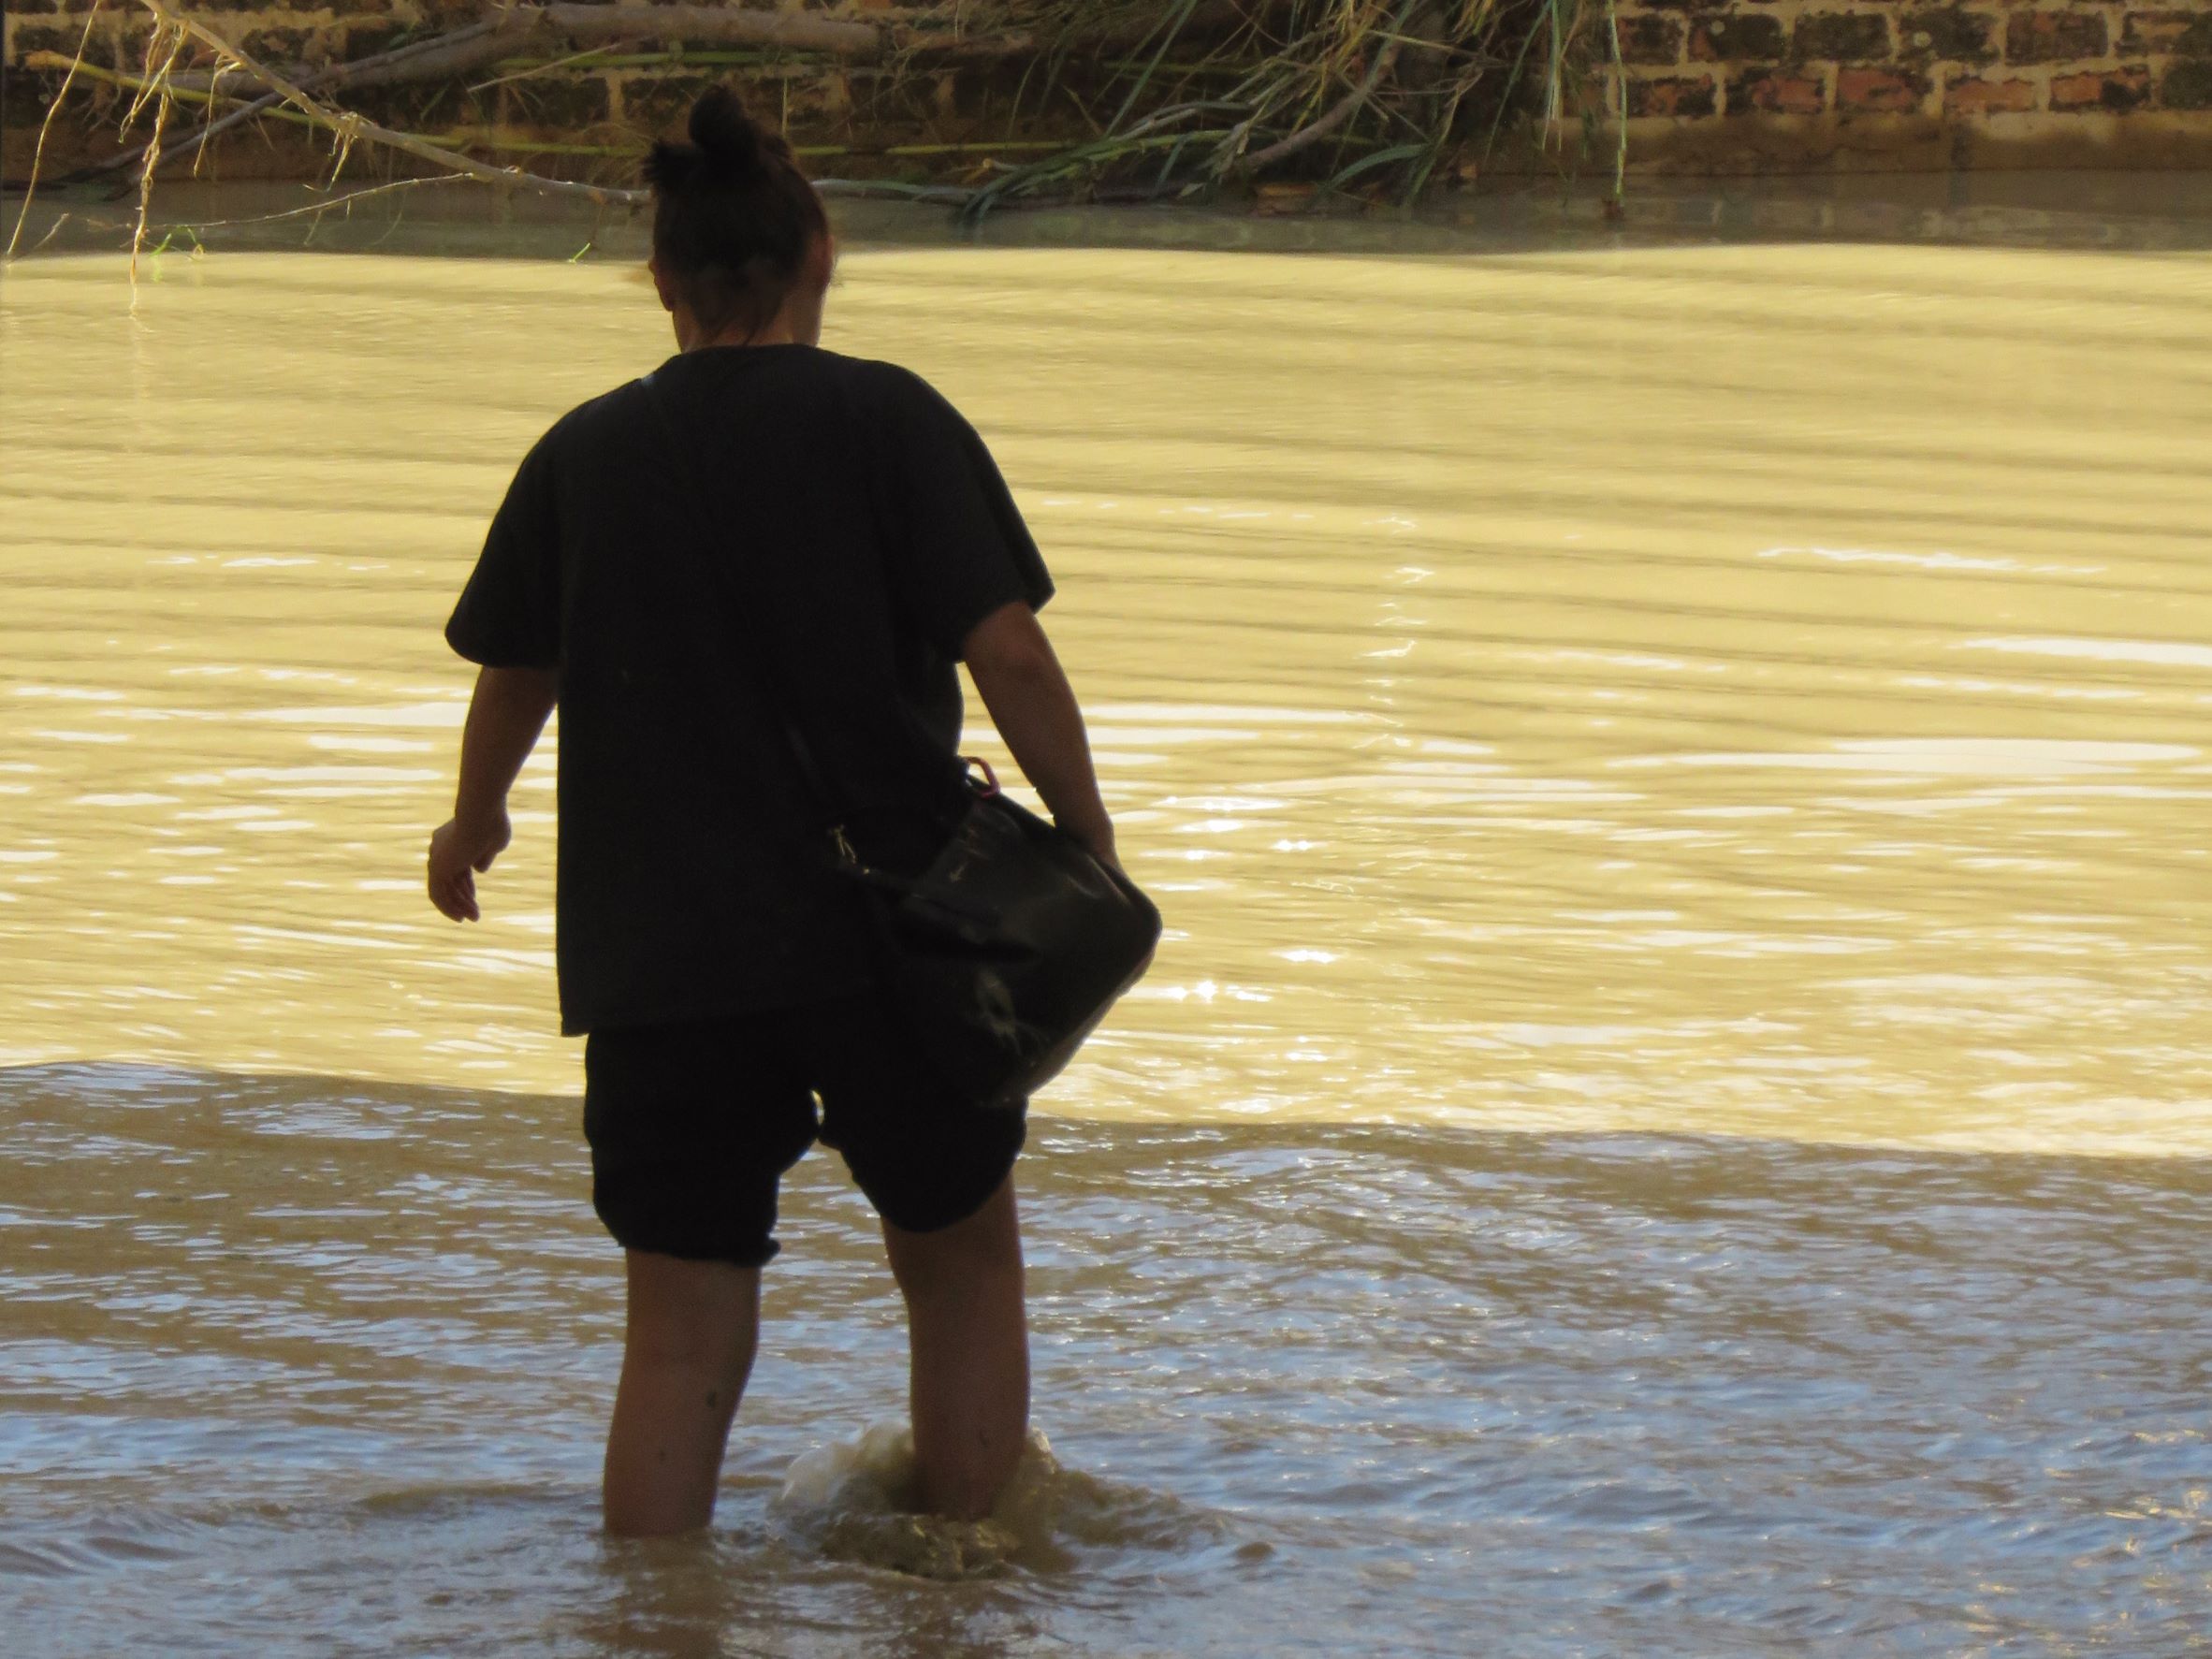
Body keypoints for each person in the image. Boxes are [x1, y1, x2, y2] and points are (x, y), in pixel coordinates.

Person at [424, 85, 1118, 1538]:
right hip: (893, 938)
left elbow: (516, 672)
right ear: (818, 258)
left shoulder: (583, 454)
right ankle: (961, 1605)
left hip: (662, 959)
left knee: (679, 1337)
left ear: (664, 281)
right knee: (960, 1269)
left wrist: (471, 823)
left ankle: (655, 1625)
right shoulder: (889, 418)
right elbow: (1012, 653)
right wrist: (1085, 834)